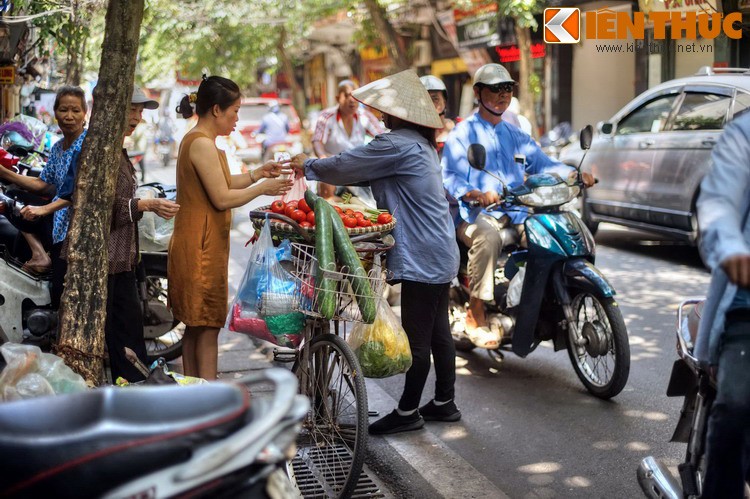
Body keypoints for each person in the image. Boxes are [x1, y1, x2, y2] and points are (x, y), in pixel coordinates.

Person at [290, 69, 461, 435]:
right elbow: (362, 173)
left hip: (424, 255)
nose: (381, 116)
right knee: (438, 332)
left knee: (418, 337)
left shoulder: (396, 144)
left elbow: (345, 164)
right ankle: (444, 402)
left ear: (400, 114)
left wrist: (306, 165)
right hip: (440, 249)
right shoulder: (419, 143)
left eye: (386, 111)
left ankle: (408, 410)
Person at [441, 63, 592, 348]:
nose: (502, 94)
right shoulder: (462, 135)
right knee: (488, 237)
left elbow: (545, 164)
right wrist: (473, 192)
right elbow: (448, 177)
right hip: (475, 214)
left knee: (550, 235)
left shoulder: (516, 134)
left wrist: (574, 173)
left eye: (507, 88)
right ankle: (476, 308)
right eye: (495, 88)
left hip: (518, 210)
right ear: (478, 92)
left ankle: (535, 299)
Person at [169, 75, 292, 381]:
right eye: (235, 111)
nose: (238, 118)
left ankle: (197, 398)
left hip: (202, 245)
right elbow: (222, 197)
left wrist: (256, 174)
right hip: (200, 248)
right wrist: (264, 187)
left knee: (197, 327)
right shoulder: (200, 144)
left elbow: (224, 183)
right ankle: (210, 401)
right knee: (206, 326)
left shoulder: (203, 142)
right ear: (216, 110)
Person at [102, 86, 180, 383]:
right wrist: (146, 204)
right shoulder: (104, 151)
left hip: (123, 259)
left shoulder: (118, 149)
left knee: (129, 337)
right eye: (131, 109)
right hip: (108, 261)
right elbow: (103, 207)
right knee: (123, 340)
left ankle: (135, 398)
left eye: (139, 111)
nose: (136, 116)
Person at [695, 110, 750, 499]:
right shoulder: (744, 134)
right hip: (746, 300)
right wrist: (731, 250)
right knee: (736, 408)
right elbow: (718, 203)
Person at [0, 86, 87, 306]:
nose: (69, 116)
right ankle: (39, 255)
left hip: (75, 230)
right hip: (58, 224)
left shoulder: (86, 146)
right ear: (55, 112)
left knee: (61, 292)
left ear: (85, 113)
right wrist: (5, 173)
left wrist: (43, 209)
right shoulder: (58, 147)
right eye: (64, 110)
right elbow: (43, 184)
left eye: (75, 110)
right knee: (17, 206)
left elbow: (77, 191)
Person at [311, 79, 384, 201]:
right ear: (337, 98)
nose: (351, 100)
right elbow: (317, 141)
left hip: (357, 168)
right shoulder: (326, 116)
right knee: (327, 191)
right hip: (333, 167)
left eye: (355, 96)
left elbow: (382, 137)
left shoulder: (365, 116)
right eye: (346, 95)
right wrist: (324, 159)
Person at [419, 74, 455, 154]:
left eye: (435, 99)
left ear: (444, 102)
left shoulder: (460, 126)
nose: (429, 104)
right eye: (424, 99)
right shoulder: (413, 134)